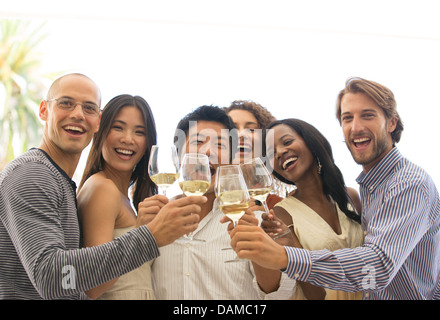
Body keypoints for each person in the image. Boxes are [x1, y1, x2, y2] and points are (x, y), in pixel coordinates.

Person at [230, 77, 440, 300]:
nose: (355, 127)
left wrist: (286, 256)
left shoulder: (405, 184)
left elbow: (377, 265)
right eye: (347, 118)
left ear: (391, 123)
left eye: (367, 115)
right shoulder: (371, 187)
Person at [0, 73, 206, 299]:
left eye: (88, 108)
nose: (77, 114)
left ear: (97, 121)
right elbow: (51, 276)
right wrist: (151, 236)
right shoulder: (32, 173)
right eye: (66, 103)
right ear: (43, 111)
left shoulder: (59, 181)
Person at [144, 105, 295, 299]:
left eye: (220, 145)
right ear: (179, 157)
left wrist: (259, 253)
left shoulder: (254, 221)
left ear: (231, 161)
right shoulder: (154, 220)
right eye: (198, 141)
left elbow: (280, 295)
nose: (207, 151)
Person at [263, 118, 363, 300]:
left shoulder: (351, 197)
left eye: (287, 142)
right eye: (271, 153)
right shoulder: (282, 214)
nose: (279, 153)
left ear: (310, 141)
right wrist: (291, 247)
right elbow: (314, 295)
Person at [77, 94, 158, 299]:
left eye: (139, 132)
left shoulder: (124, 196)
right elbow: (93, 283)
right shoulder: (103, 189)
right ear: (100, 131)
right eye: (118, 127)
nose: (127, 139)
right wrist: (144, 235)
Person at [224, 100, 295, 205]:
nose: (240, 134)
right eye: (232, 129)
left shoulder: (279, 207)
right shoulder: (199, 199)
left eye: (251, 129)